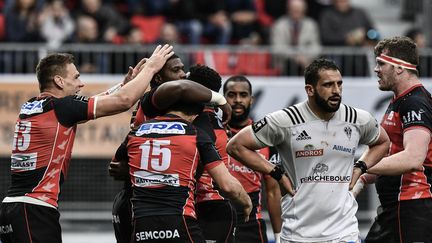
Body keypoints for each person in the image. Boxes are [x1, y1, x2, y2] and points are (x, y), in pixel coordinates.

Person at [0, 44, 174, 243]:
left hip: (12, 208)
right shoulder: (63, 107)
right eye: (75, 77)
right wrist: (151, 67)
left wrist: (125, 83)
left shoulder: (33, 105)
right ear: (58, 80)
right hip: (35, 209)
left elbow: (91, 103)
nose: (80, 83)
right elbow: (124, 101)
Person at [226, 58, 390, 242]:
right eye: (328, 85)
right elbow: (235, 146)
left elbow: (383, 142)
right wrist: (276, 172)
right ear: (310, 90)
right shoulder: (286, 120)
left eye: (339, 84)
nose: (336, 91)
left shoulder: (357, 118)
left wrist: (360, 166)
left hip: (344, 233)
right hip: (298, 234)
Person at [114, 81, 252, 243]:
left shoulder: (137, 131)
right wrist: (246, 201)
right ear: (196, 113)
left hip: (141, 226)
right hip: (179, 223)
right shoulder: (196, 133)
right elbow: (227, 185)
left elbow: (115, 167)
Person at [110, 53, 188, 243]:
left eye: (183, 68)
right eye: (176, 70)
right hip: (138, 203)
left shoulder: (159, 106)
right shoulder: (152, 100)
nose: (184, 74)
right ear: (158, 78)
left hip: (149, 202)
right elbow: (117, 162)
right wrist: (219, 100)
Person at [362, 36, 432, 242]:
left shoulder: (415, 103)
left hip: (413, 208)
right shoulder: (400, 101)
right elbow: (388, 155)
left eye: (381, 63)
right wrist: (358, 180)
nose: (376, 69)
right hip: (397, 209)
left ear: (399, 68)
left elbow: (413, 159)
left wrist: (361, 165)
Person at [223, 75, 282, 243]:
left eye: (243, 95)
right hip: (216, 218)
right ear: (224, 98)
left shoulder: (266, 139)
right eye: (231, 95)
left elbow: (272, 191)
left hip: (250, 224)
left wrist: (278, 236)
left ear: (251, 99)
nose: (237, 100)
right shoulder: (212, 132)